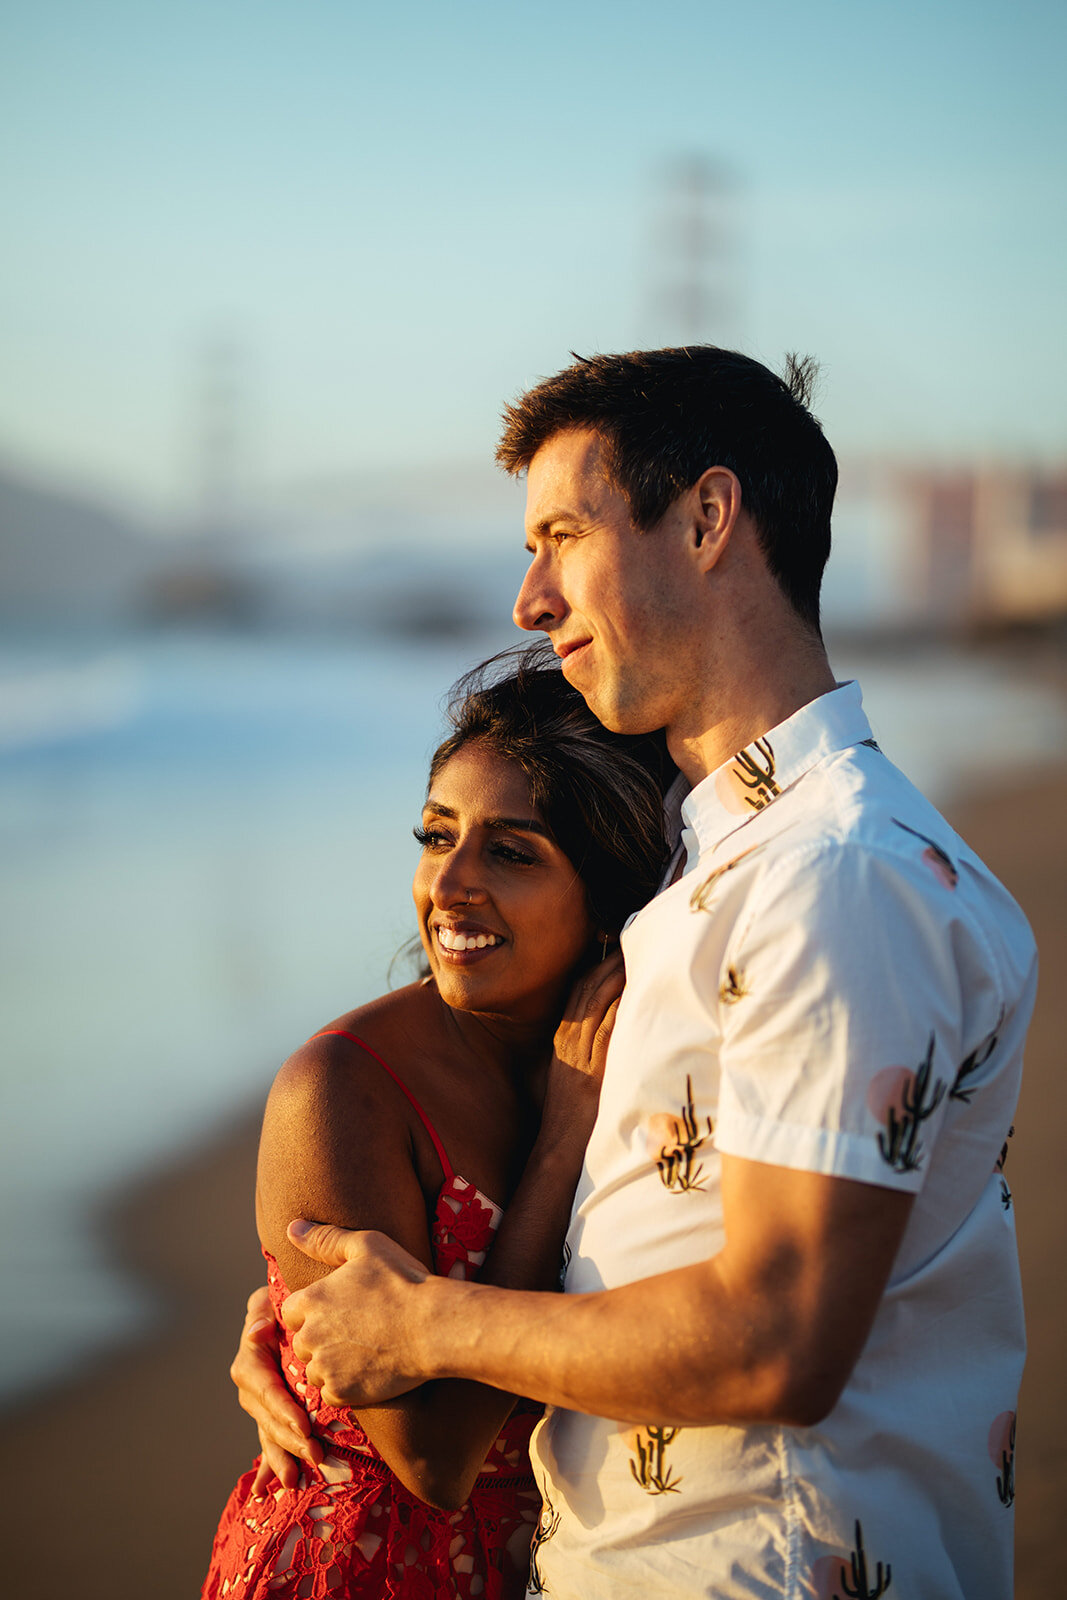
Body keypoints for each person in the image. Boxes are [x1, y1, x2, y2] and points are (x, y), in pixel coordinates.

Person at [240, 348, 1035, 1600]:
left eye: (561, 534)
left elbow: (776, 1337)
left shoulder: (832, 875)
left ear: (708, 519)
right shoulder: (720, 856)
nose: (528, 597)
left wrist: (418, 1324)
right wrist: (307, 1316)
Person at [201, 648, 672, 1599]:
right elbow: (433, 1458)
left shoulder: (651, 1053)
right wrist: (556, 1148)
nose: (448, 884)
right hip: (365, 1565)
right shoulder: (340, 1088)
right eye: (434, 836)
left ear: (609, 899)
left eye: (510, 851)